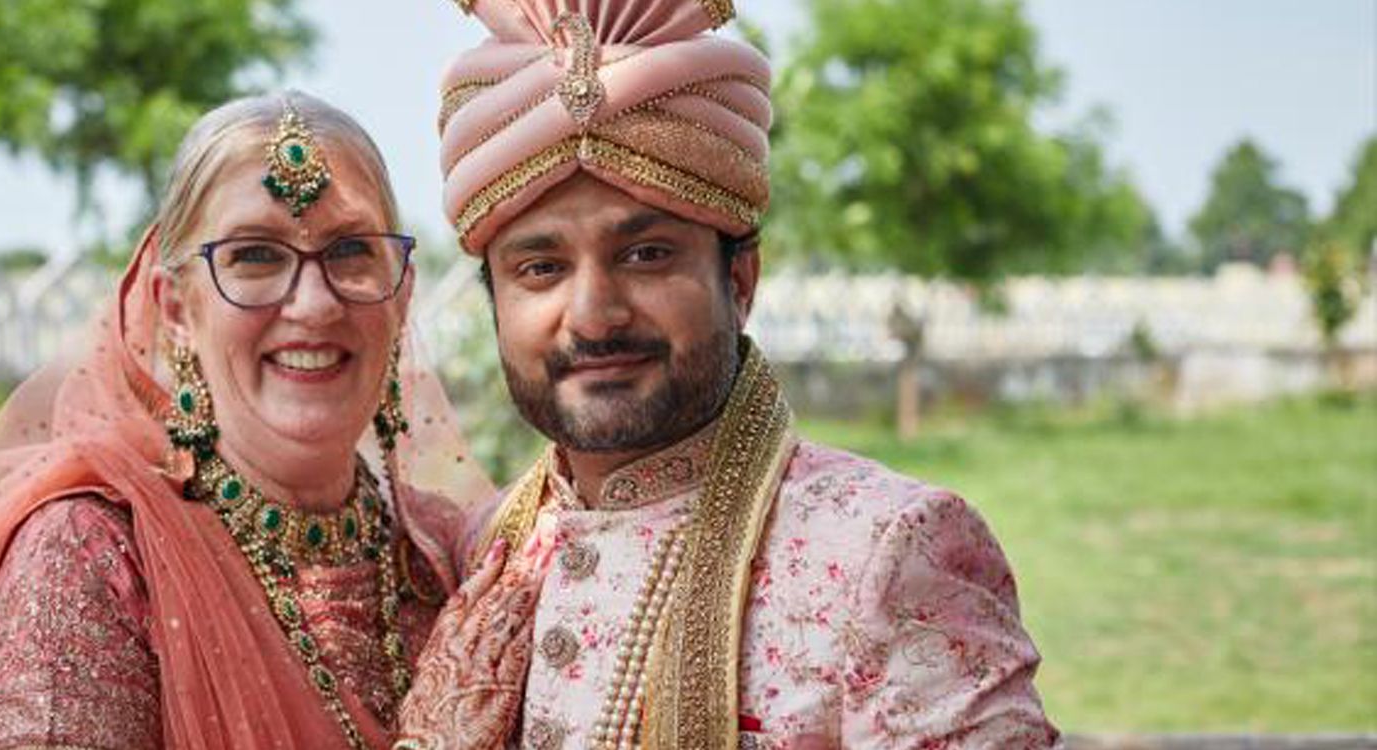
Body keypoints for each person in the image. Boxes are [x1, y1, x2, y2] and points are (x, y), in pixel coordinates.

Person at [428, 1, 1062, 748]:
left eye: (647, 255)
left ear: (741, 280)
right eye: (541, 269)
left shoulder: (887, 550)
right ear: (496, 302)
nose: (594, 316)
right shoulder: (481, 557)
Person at [0, 90, 542, 750]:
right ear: (175, 309)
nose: (312, 304)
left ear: (402, 292)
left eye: (349, 252)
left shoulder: (453, 564)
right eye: (254, 255)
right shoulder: (93, 560)